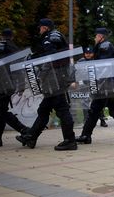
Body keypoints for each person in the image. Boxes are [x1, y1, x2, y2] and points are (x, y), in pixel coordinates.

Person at [16, 18, 77, 150]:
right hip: (56, 78)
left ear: (45, 28)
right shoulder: (57, 35)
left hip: (54, 80)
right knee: (43, 110)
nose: (39, 30)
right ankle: (31, 137)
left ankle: (70, 140)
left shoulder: (49, 38)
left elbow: (50, 59)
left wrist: (40, 75)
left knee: (62, 110)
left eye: (40, 27)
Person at [76, 28, 114, 144]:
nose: (94, 39)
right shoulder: (103, 46)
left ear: (100, 37)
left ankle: (86, 135)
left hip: (107, 86)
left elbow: (103, 66)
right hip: (107, 85)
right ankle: (86, 135)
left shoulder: (105, 46)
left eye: (96, 36)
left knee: (104, 110)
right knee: (103, 111)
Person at [0, 28, 29, 147]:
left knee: (0, 110)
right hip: (9, 83)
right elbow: (19, 68)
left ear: (1, 36)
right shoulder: (14, 48)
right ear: (12, 37)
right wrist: (21, 84)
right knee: (0, 110)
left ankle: (23, 129)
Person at [77, 47, 108, 127]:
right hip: (84, 84)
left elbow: (101, 72)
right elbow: (76, 73)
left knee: (98, 102)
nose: (88, 55)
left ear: (93, 53)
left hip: (95, 84)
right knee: (84, 102)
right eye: (86, 53)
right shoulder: (80, 62)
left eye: (90, 53)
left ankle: (102, 120)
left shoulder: (96, 61)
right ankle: (85, 120)